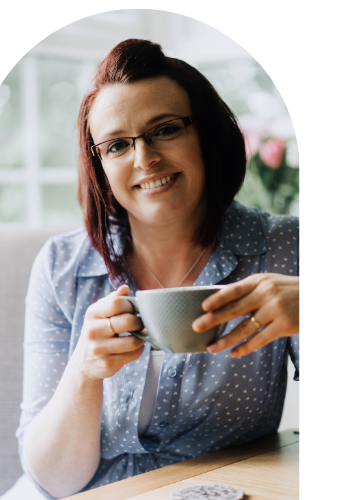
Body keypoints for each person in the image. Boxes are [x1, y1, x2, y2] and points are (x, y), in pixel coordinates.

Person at [16, 39, 300, 499]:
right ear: (99, 164)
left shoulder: (281, 248)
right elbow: (52, 479)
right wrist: (84, 373)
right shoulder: (61, 266)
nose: (144, 158)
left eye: (165, 129)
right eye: (117, 145)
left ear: (205, 133)